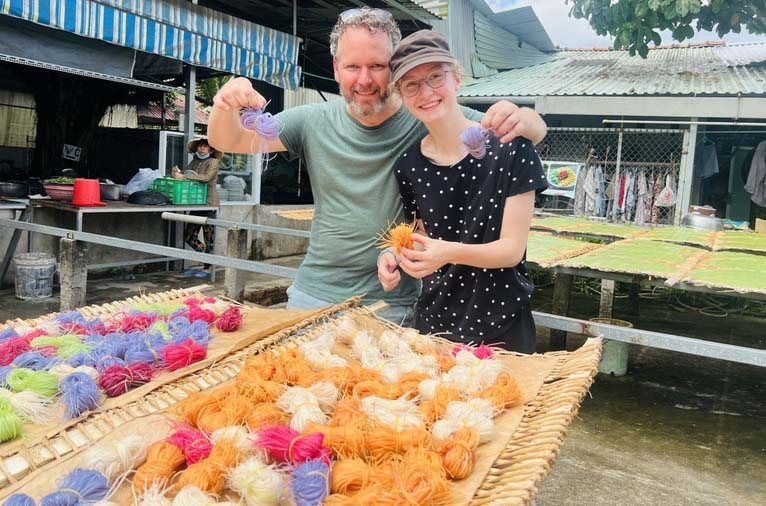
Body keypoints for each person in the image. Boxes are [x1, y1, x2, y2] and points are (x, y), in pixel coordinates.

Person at [208, 8, 547, 326]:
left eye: (378, 66)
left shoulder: (425, 115)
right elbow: (230, 141)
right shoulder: (311, 121)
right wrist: (225, 104)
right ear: (337, 67)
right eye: (353, 67)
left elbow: (526, 130)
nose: (365, 79)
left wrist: (524, 116)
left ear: (395, 69)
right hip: (314, 296)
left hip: (394, 304)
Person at [379, 30, 547, 353]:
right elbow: (423, 240)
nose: (425, 92)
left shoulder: (511, 145)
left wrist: (447, 251)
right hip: (434, 327)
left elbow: (512, 249)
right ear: (400, 94)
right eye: (411, 85)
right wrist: (395, 255)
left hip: (503, 328)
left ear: (456, 78)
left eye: (435, 76)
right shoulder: (408, 166)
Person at [172, 137, 221, 256]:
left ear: (211, 149)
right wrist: (176, 172)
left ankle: (208, 268)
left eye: (205, 146)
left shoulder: (213, 161)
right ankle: (206, 257)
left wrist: (183, 177)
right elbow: (185, 174)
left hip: (209, 203)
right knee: (189, 237)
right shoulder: (194, 161)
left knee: (209, 238)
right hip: (195, 202)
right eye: (200, 146)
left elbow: (206, 177)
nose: (201, 148)